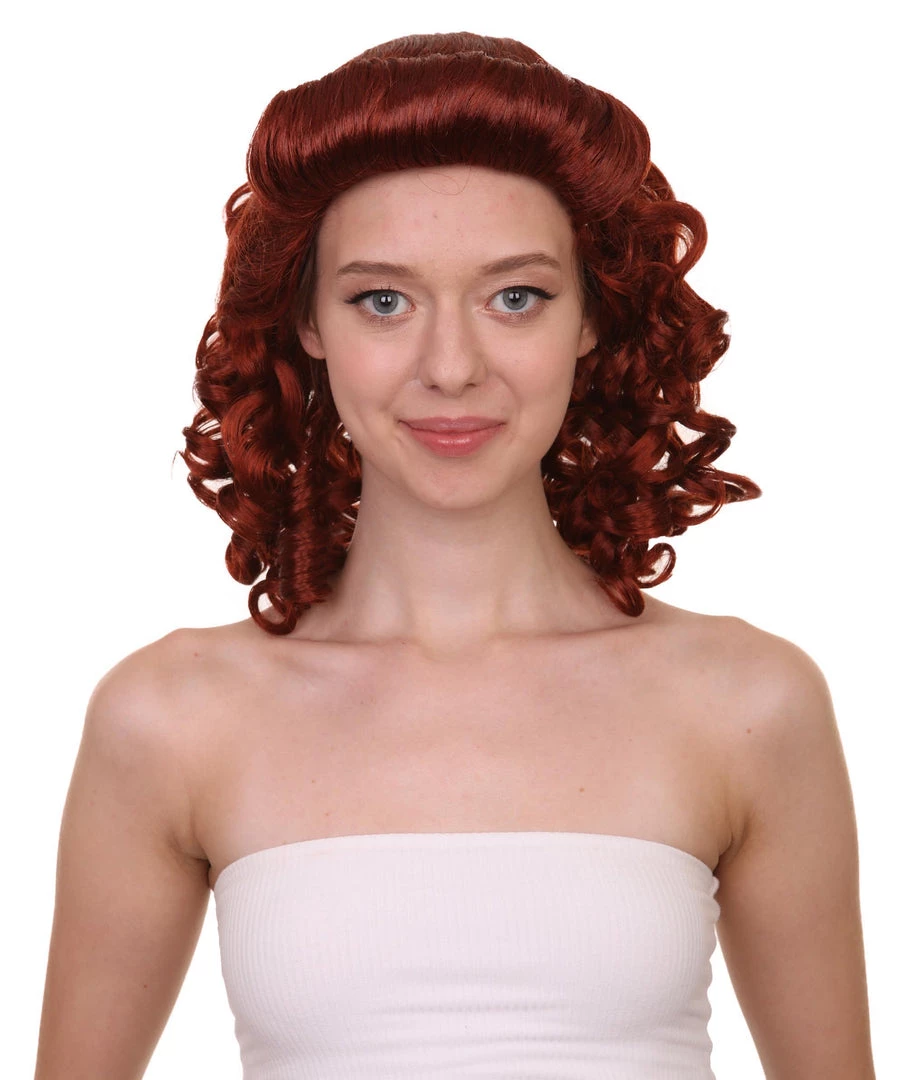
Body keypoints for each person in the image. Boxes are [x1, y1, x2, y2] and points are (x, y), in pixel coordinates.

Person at [34, 30, 875, 1080]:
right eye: (381, 300)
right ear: (307, 322)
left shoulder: (746, 704)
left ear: (589, 318)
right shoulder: (170, 719)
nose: (450, 367)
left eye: (514, 296)